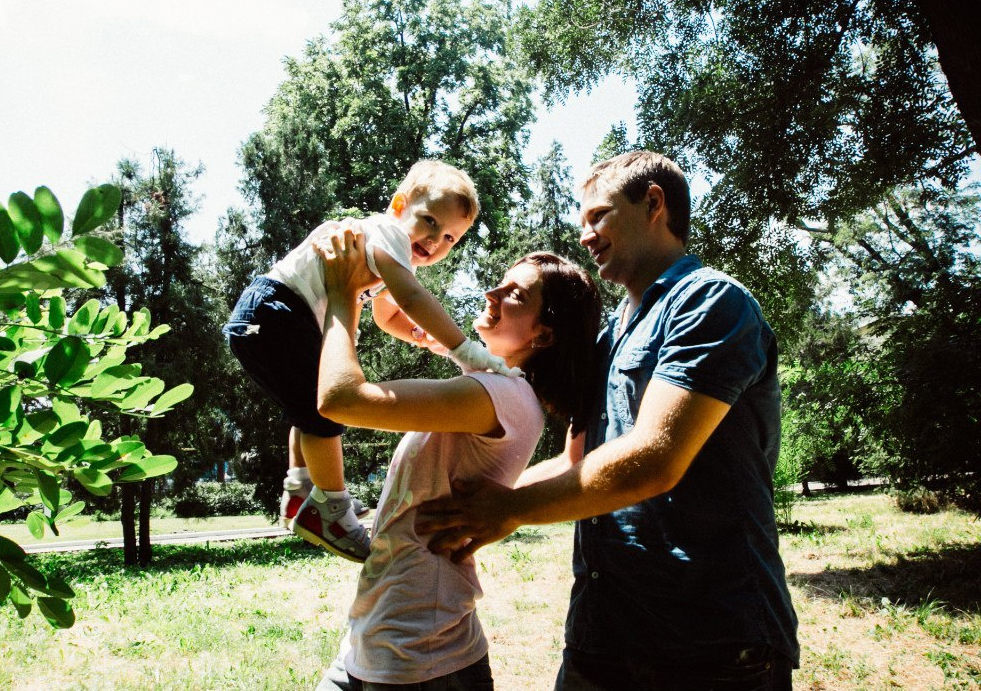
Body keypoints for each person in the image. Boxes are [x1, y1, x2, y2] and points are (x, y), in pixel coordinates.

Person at [418, 151, 799, 691]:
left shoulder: (712, 303)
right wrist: (467, 504)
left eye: (598, 215)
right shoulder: (608, 339)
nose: (585, 235)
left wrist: (511, 508)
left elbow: (656, 459)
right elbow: (574, 460)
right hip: (602, 637)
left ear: (653, 205)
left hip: (709, 642)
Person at [312, 226, 601, 690]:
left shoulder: (500, 395)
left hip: (420, 654)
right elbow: (404, 312)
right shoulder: (493, 383)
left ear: (543, 335)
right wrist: (384, 268)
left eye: (515, 294)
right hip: (377, 638)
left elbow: (340, 399)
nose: (491, 292)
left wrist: (343, 295)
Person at [223, 161, 515, 563]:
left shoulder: (384, 248)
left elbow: (388, 313)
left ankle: (300, 493)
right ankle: (332, 512)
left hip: (268, 316)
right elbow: (412, 299)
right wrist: (463, 350)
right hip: (278, 312)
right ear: (399, 205)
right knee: (324, 413)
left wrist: (417, 334)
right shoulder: (387, 233)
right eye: (428, 220)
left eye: (449, 237)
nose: (434, 239)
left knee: (308, 405)